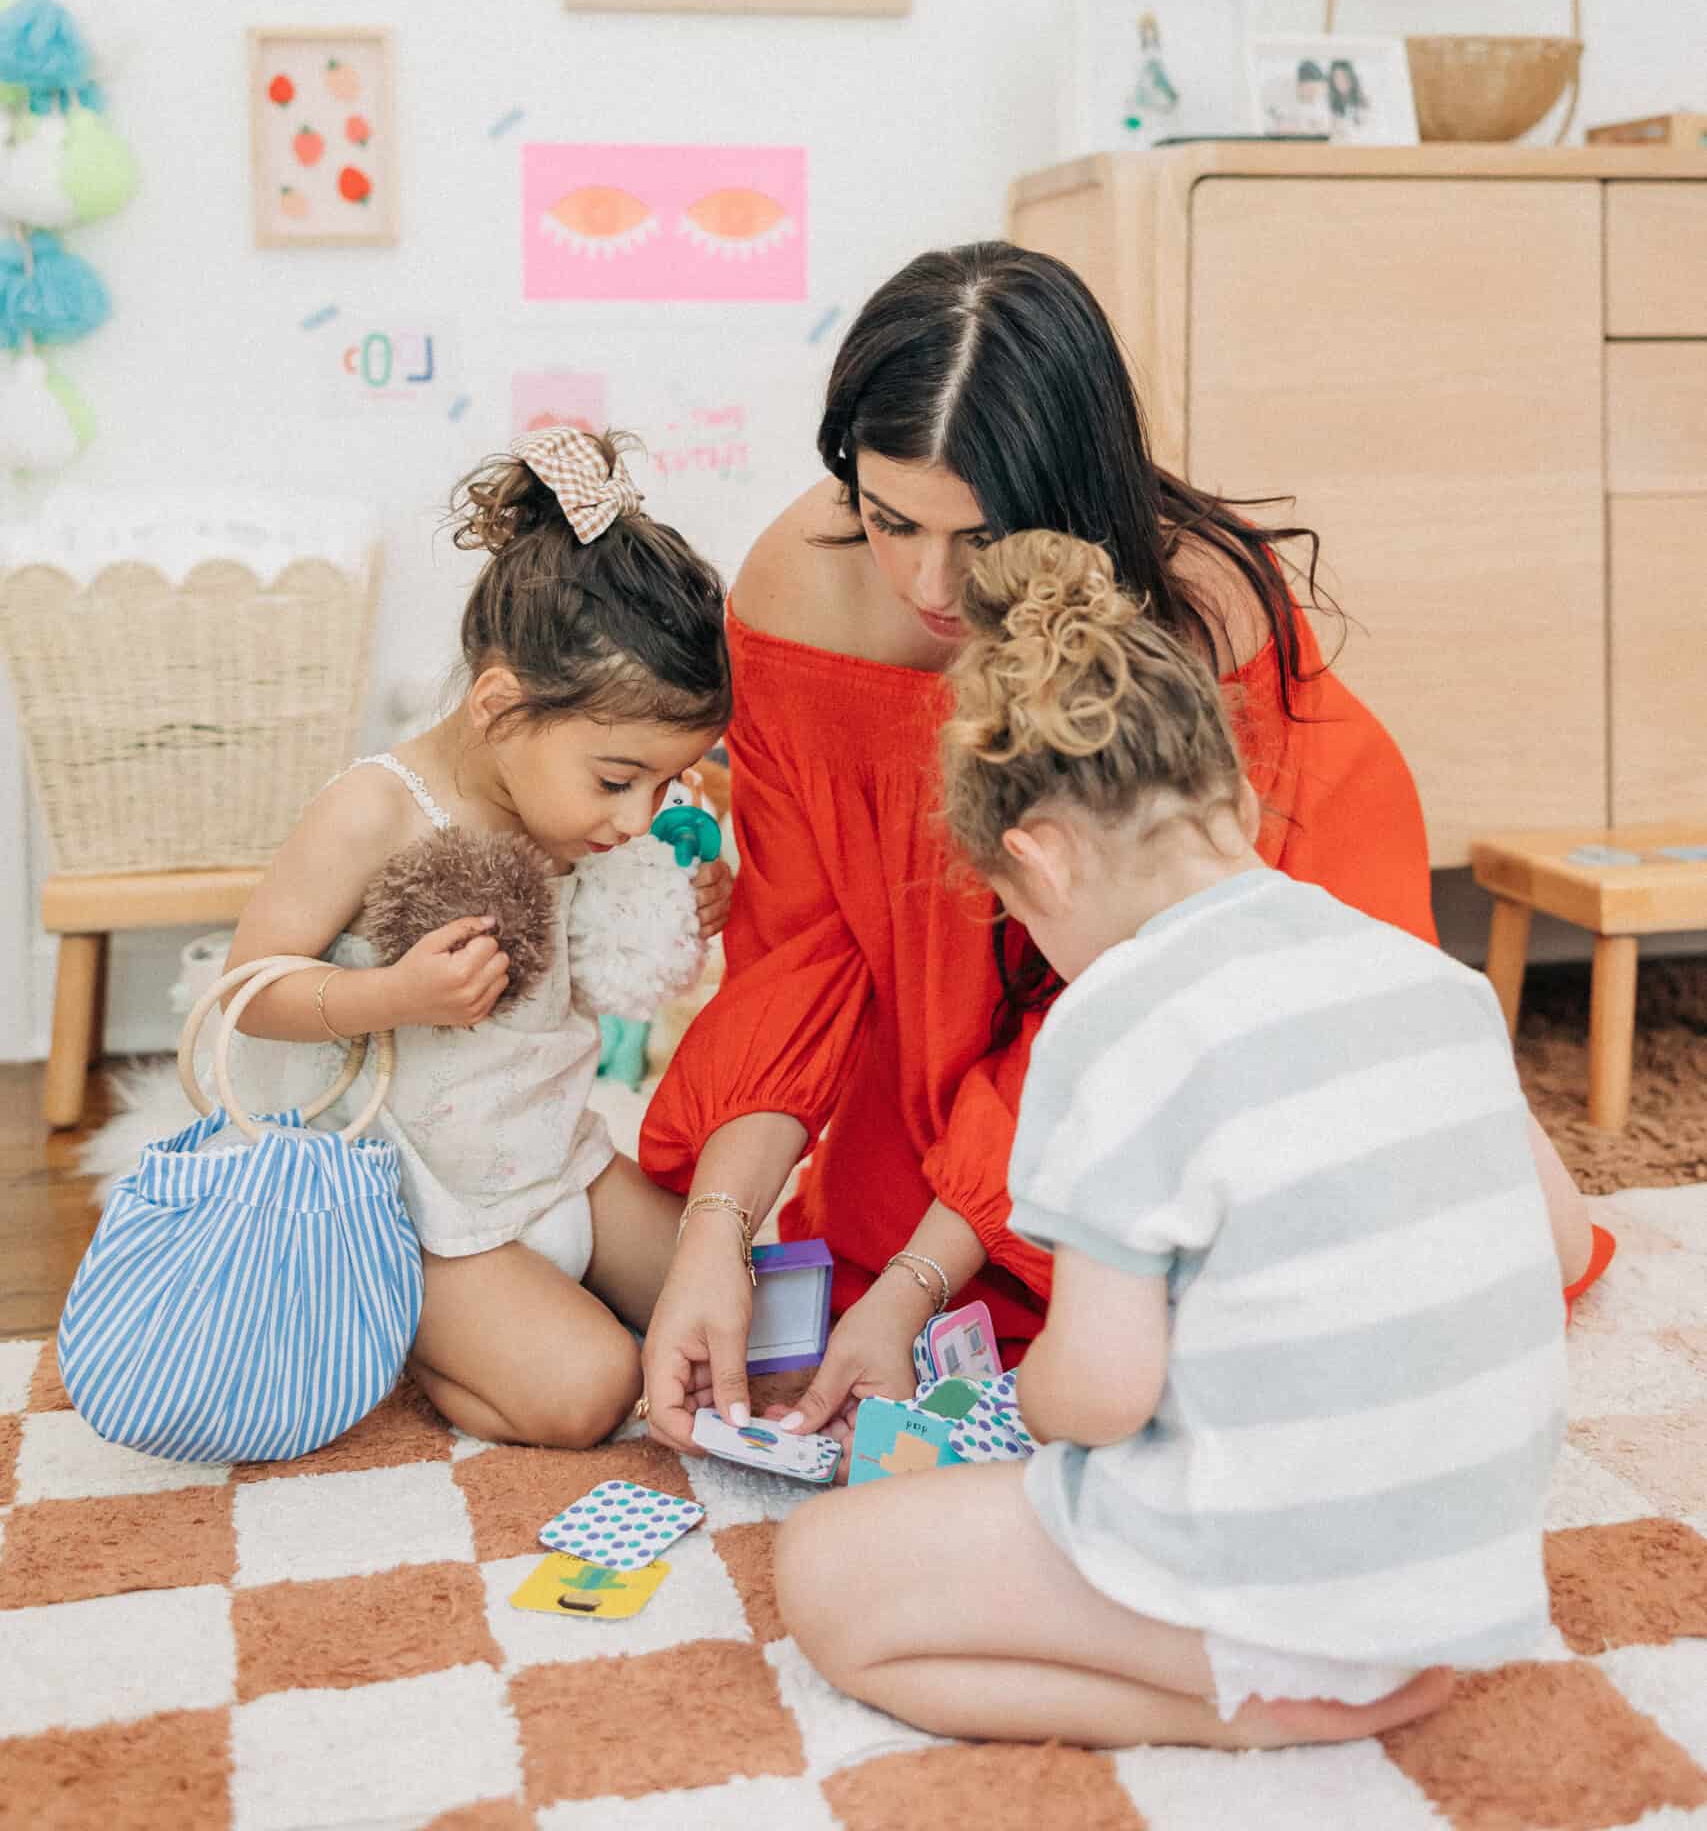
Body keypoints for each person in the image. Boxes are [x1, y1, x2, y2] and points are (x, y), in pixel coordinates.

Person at [638, 245, 1601, 1455]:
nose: (930, 581)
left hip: (1222, 937)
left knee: (1325, 1239)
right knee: (877, 1250)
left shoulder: (1197, 608)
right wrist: (717, 1229)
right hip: (977, 1025)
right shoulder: (798, 590)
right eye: (889, 519)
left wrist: (919, 1282)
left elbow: (1134, 1003)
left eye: (981, 534)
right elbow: (797, 948)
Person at [774, 531, 1567, 1748]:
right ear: (1236, 799)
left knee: (823, 1570)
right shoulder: (1433, 979)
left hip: (1274, 1573)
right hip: (1465, 1572)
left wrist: (1019, 1406)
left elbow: (1100, 1396)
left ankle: (1250, 1707)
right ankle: (1349, 1668)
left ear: (1037, 859)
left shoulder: (1114, 1027)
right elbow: (1556, 1239)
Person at [222, 428, 734, 1448]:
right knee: (590, 1392)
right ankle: (407, 1331)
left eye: (665, 782)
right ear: (500, 706)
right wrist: (392, 997)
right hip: (423, 1206)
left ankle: (526, 1311)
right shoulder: (376, 810)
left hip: (557, 1152)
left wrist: (682, 903)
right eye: (617, 779)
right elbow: (246, 992)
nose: (639, 816)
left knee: (733, 1292)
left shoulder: (569, 816)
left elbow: (598, 963)